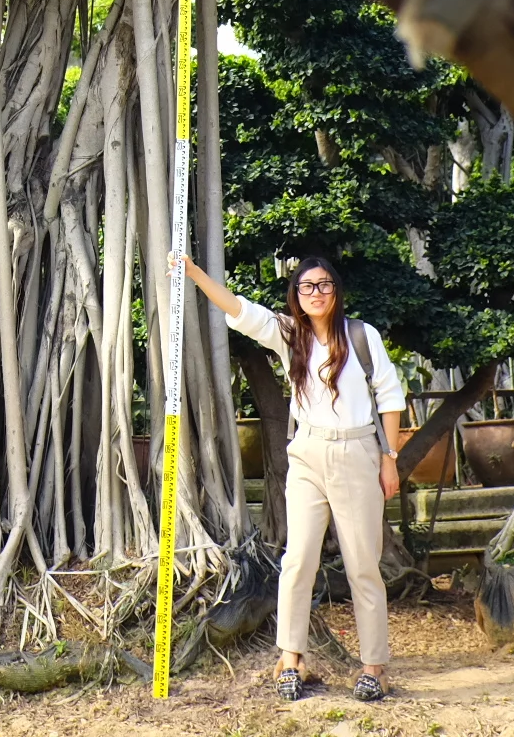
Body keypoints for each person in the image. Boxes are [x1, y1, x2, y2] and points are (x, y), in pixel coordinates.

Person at [171, 251, 405, 704]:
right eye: (306, 287)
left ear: (336, 291)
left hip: (358, 451)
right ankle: (291, 659)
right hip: (306, 456)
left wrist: (389, 457)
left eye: (323, 285)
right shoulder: (290, 335)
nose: (315, 293)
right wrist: (196, 273)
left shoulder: (361, 336)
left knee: (362, 565)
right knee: (297, 561)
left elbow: (390, 396)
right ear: (296, 295)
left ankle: (374, 666)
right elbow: (239, 310)